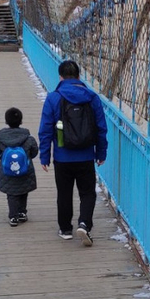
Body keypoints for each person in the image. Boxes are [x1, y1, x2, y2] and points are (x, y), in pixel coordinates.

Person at [38, 59, 108, 246]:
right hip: (86, 155)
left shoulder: (53, 98)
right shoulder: (92, 97)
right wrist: (101, 153)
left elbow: (45, 130)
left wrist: (44, 156)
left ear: (60, 77)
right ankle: (84, 223)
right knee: (87, 193)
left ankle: (65, 229)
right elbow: (101, 128)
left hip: (62, 156)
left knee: (64, 193)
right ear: (79, 75)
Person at [0, 106, 39, 226]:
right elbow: (34, 152)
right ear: (21, 121)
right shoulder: (28, 138)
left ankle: (13, 216)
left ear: (6, 121)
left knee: (11, 194)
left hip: (7, 172)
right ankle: (22, 212)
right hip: (25, 170)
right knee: (23, 190)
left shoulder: (1, 139)